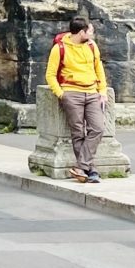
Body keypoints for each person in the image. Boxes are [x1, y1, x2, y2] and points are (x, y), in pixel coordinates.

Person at [45, 17, 112, 183]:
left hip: (92, 92)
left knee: (97, 128)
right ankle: (91, 170)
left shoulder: (91, 46)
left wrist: (102, 91)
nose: (92, 34)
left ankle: (82, 167)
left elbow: (99, 69)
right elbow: (50, 75)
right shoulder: (59, 48)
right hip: (71, 92)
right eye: (89, 31)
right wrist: (61, 94)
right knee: (77, 132)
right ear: (81, 32)